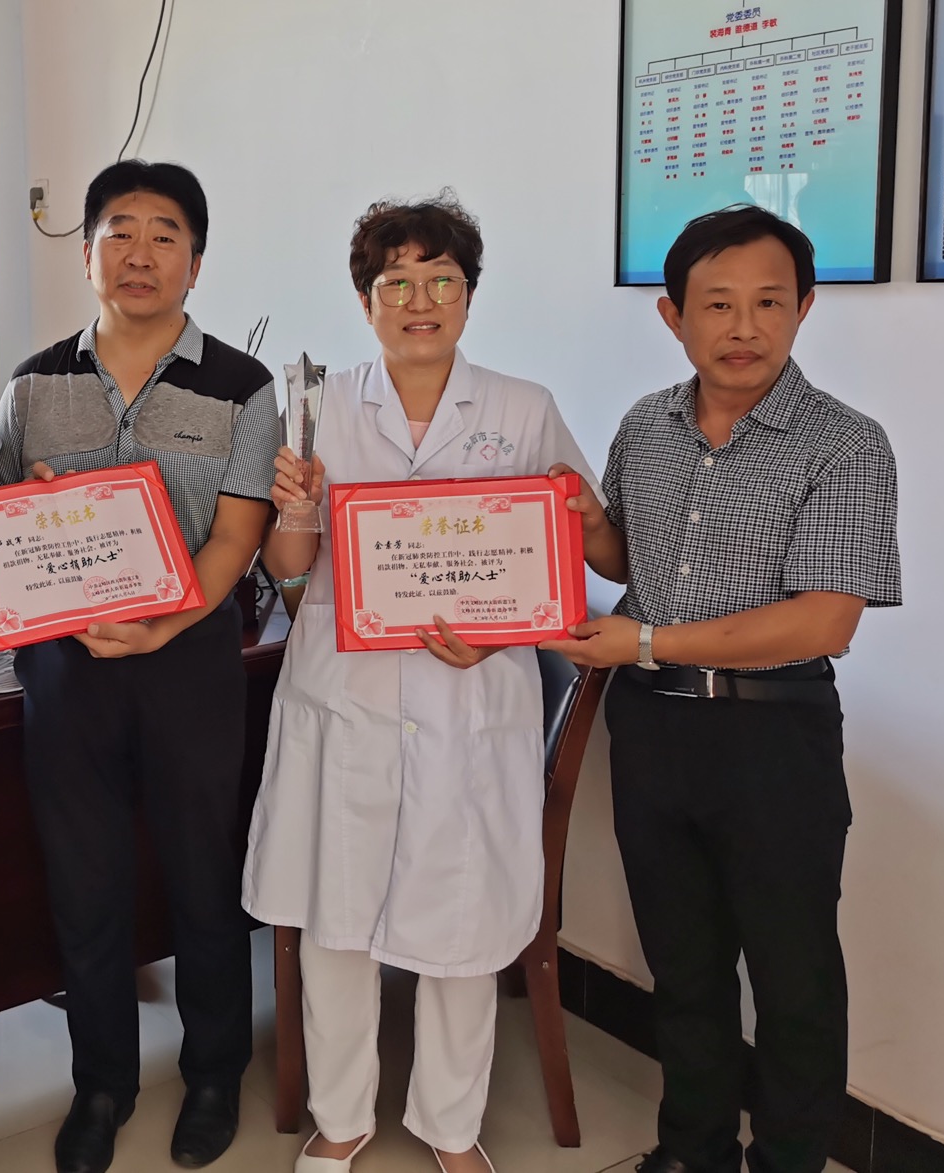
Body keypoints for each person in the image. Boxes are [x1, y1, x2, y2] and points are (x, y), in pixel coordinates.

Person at [242, 194, 618, 1173]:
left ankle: (452, 1126)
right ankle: (341, 1117)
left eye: (439, 280)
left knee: (463, 916)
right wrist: (296, 506)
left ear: (468, 294)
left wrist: (543, 567)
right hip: (346, 697)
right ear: (364, 300)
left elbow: (580, 556)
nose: (418, 301)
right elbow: (289, 571)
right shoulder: (320, 408)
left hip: (472, 700)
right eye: (395, 283)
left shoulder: (522, 408)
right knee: (335, 919)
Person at [541, 205, 900, 1173]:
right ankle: (690, 1150)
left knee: (792, 981)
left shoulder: (844, 443)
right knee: (683, 967)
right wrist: (582, 524)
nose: (743, 328)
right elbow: (633, 559)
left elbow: (823, 621)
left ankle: (787, 1160)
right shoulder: (644, 426)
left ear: (803, 308)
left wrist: (643, 640)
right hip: (652, 729)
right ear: (672, 316)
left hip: (772, 736)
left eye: (768, 303)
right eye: (717, 304)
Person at [0, 160, 279, 1173]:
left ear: (194, 261)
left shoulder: (243, 385)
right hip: (66, 666)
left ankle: (214, 1073)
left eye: (165, 235)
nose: (140, 253)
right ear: (86, 254)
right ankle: (101, 1084)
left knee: (202, 876)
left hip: (188, 657)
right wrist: (20, 510)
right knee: (85, 883)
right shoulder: (31, 384)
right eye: (119, 231)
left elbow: (237, 537)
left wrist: (161, 629)